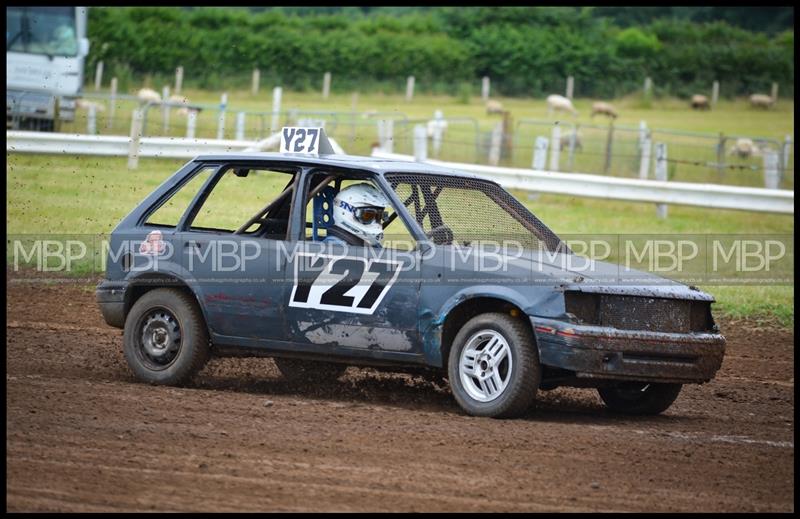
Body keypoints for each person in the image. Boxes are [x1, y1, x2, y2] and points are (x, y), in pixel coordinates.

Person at [321, 183, 389, 248]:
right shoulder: (335, 248)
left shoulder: (364, 244)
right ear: (345, 211)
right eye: (368, 215)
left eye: (379, 216)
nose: (376, 224)